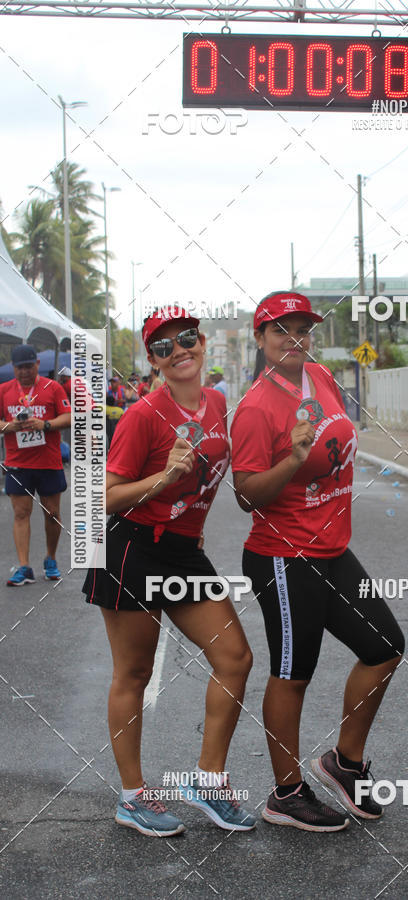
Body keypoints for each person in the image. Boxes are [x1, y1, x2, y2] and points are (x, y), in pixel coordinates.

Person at [230, 291, 405, 832]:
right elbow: (245, 495)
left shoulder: (322, 378)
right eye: (280, 329)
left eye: (303, 328)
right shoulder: (256, 406)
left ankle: (344, 763)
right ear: (260, 338)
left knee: (384, 647)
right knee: (293, 674)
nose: (294, 338)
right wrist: (294, 459)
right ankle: (286, 793)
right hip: (284, 557)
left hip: (332, 550)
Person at [82, 307, 255, 837]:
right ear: (153, 360)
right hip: (132, 549)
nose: (178, 350)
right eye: (163, 346)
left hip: (181, 552)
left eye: (186, 338)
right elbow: (102, 497)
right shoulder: (142, 415)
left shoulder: (217, 403)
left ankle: (208, 781)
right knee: (134, 673)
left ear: (202, 343)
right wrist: (162, 478)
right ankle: (133, 797)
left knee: (235, 658)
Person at [0, 344, 71, 585]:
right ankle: (24, 567)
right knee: (21, 513)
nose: (24, 372)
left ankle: (51, 558)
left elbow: (69, 416)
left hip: (48, 462)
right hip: (17, 463)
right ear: (13, 368)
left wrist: (46, 425)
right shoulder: (4, 390)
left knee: (52, 513)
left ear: (37, 365)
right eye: (20, 367)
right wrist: (9, 426)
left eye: (29, 366)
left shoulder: (53, 388)